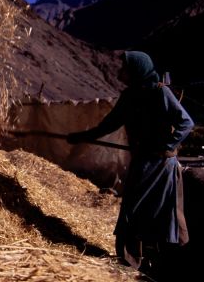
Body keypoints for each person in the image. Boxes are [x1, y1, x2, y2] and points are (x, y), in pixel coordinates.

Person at [67, 51, 193, 273]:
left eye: (124, 68)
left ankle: (166, 267)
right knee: (132, 211)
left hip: (162, 166)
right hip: (143, 163)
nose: (119, 71)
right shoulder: (129, 97)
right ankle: (129, 264)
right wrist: (82, 136)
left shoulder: (160, 92)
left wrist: (167, 146)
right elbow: (109, 125)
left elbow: (186, 122)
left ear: (136, 70)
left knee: (162, 213)